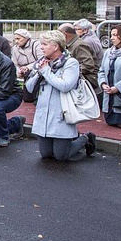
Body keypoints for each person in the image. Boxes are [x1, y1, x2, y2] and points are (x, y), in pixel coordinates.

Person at [25, 30, 96, 160]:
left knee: (61, 156)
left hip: (61, 112)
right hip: (43, 113)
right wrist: (38, 73)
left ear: (56, 46)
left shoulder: (70, 63)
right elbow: (29, 88)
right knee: (46, 154)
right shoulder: (42, 62)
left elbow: (65, 86)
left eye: (45, 44)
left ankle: (86, 138)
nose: (41, 47)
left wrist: (46, 71)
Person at [98, 24, 121, 128]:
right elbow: (101, 70)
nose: (112, 38)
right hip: (109, 96)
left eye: (115, 35)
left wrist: (118, 87)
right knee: (110, 124)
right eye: (111, 35)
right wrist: (102, 84)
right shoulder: (108, 52)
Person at [58, 23, 99, 94]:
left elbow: (88, 65)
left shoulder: (79, 45)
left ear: (64, 34)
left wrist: (70, 71)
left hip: (87, 80)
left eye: (59, 35)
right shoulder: (71, 45)